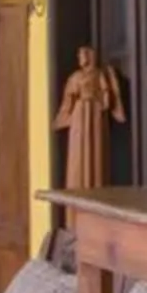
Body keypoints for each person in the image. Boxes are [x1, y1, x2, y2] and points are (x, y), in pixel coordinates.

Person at [54, 43, 125, 191]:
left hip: (95, 110)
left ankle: (96, 181)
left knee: (96, 143)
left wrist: (105, 103)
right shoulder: (76, 76)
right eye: (80, 55)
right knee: (79, 144)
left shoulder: (98, 74)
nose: (81, 58)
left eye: (83, 55)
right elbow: (69, 97)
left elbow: (106, 91)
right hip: (80, 112)